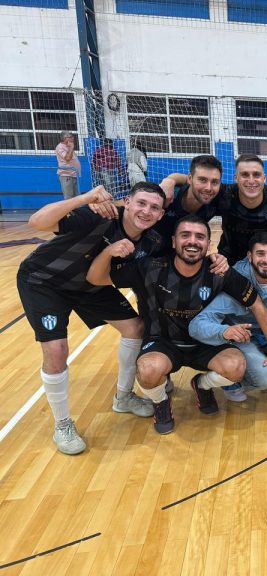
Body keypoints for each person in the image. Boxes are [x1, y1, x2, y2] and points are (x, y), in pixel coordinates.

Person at [86, 215, 267, 434]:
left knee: (236, 366)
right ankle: (161, 401)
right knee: (148, 371)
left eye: (200, 237)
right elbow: (96, 278)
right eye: (185, 235)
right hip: (163, 343)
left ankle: (201, 385)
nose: (192, 241)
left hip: (206, 343)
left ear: (208, 244)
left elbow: (257, 305)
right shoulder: (150, 268)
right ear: (173, 241)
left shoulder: (219, 271)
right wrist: (107, 252)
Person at [18, 182, 167, 454]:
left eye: (154, 207)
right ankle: (63, 424)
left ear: (161, 215)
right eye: (141, 203)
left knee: (135, 327)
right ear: (127, 202)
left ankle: (123, 397)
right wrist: (84, 198)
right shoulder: (99, 215)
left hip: (91, 286)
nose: (146, 211)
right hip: (44, 281)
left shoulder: (152, 242)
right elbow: (37, 221)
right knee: (56, 350)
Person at [189, 231, 267, 403]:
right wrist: (225, 331)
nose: (266, 260)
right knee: (265, 378)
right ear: (249, 256)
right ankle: (225, 380)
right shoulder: (235, 282)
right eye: (260, 254)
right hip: (243, 340)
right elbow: (196, 325)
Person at [215, 154, 267, 264]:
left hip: (264, 262)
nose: (251, 181)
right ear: (236, 178)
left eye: (256, 175)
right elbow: (195, 186)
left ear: (264, 178)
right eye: (245, 175)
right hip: (228, 261)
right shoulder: (224, 194)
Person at [154, 155, 225, 241]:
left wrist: (171, 179)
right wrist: (170, 180)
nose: (208, 188)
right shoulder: (167, 195)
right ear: (190, 179)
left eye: (215, 182)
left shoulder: (219, 197)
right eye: (202, 180)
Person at [55, 130, 81, 199]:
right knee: (69, 198)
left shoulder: (68, 146)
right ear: (65, 138)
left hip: (73, 174)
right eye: (71, 137)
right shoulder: (60, 147)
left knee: (76, 197)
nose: (73, 138)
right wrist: (71, 147)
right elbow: (68, 158)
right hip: (66, 175)